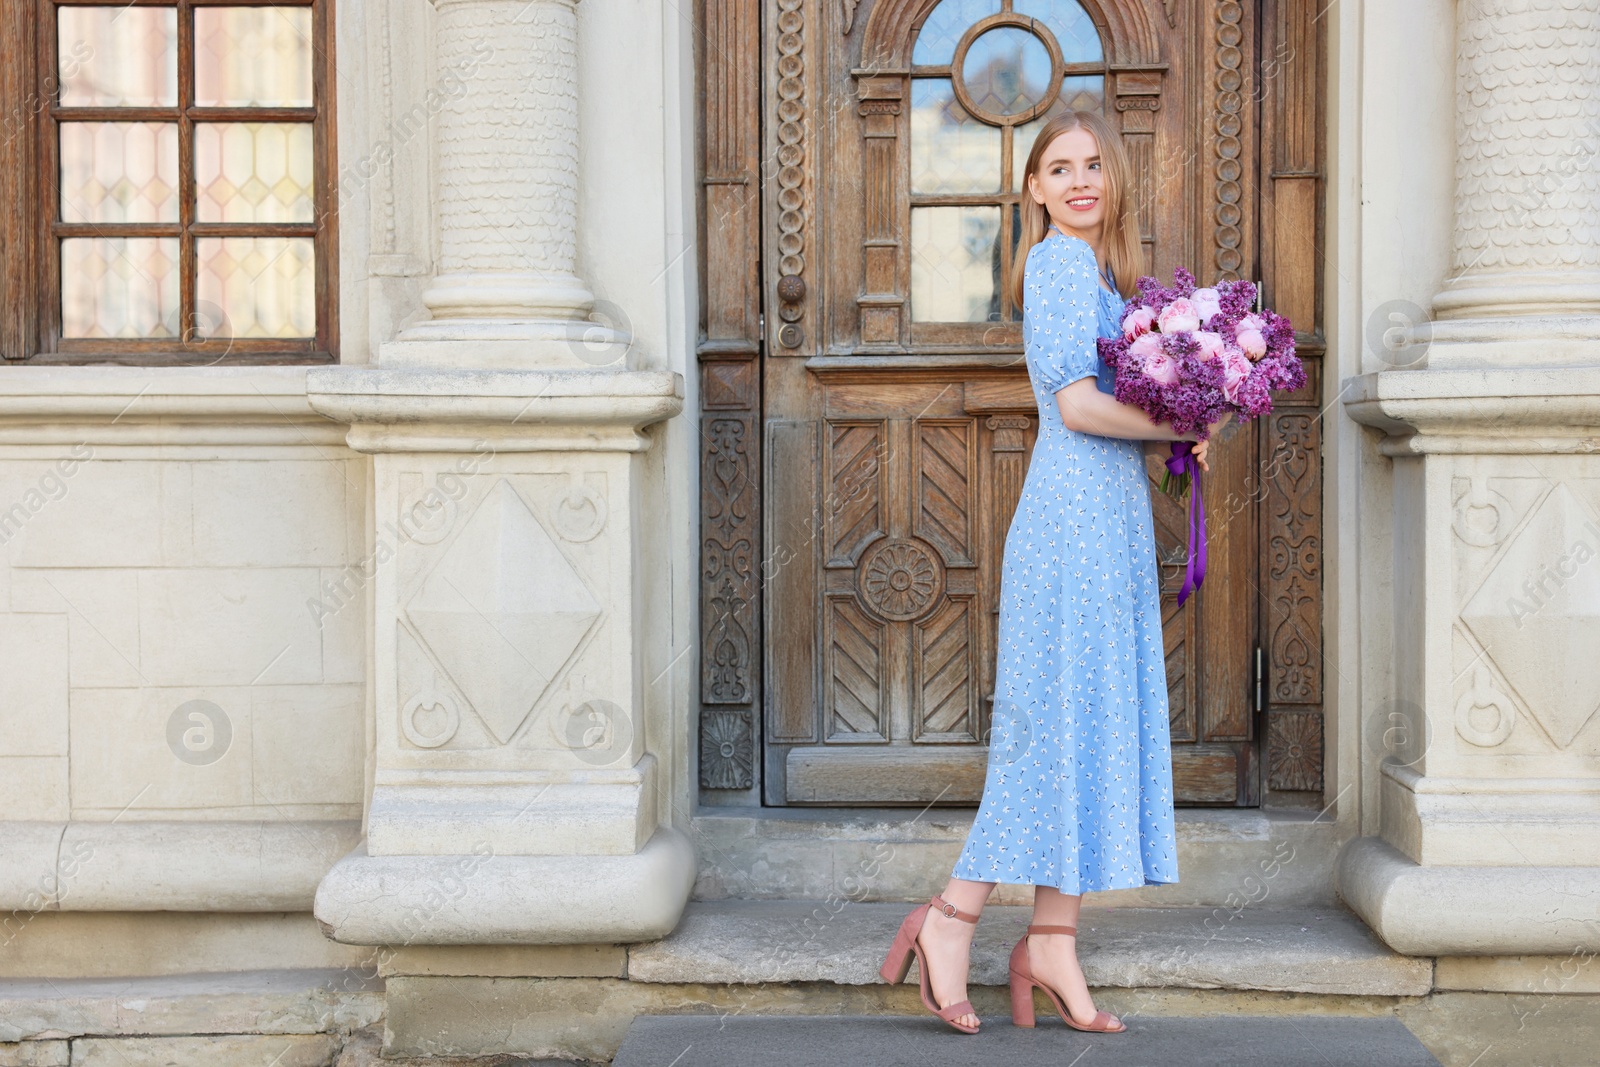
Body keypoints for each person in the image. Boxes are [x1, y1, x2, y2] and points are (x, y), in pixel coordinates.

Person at [877, 110, 1226, 1035]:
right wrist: (1180, 427)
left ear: (1113, 180)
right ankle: (948, 920)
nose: (1079, 180)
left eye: (1093, 165)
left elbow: (1112, 406)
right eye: (1059, 168)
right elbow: (1075, 406)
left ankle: (1052, 942)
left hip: (1102, 523)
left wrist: (1182, 408)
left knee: (1079, 725)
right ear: (1032, 188)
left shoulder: (1103, 276)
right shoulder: (1062, 266)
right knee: (1046, 733)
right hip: (1070, 527)